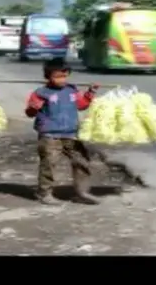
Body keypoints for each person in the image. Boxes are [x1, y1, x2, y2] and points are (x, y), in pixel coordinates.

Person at [25, 58, 100, 205]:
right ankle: (44, 194)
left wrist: (90, 93)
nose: (62, 80)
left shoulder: (72, 90)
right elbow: (30, 113)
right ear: (48, 76)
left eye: (64, 76)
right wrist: (33, 107)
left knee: (82, 162)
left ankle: (82, 192)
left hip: (71, 134)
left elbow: (82, 105)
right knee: (49, 165)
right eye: (57, 77)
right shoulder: (40, 93)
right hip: (50, 136)